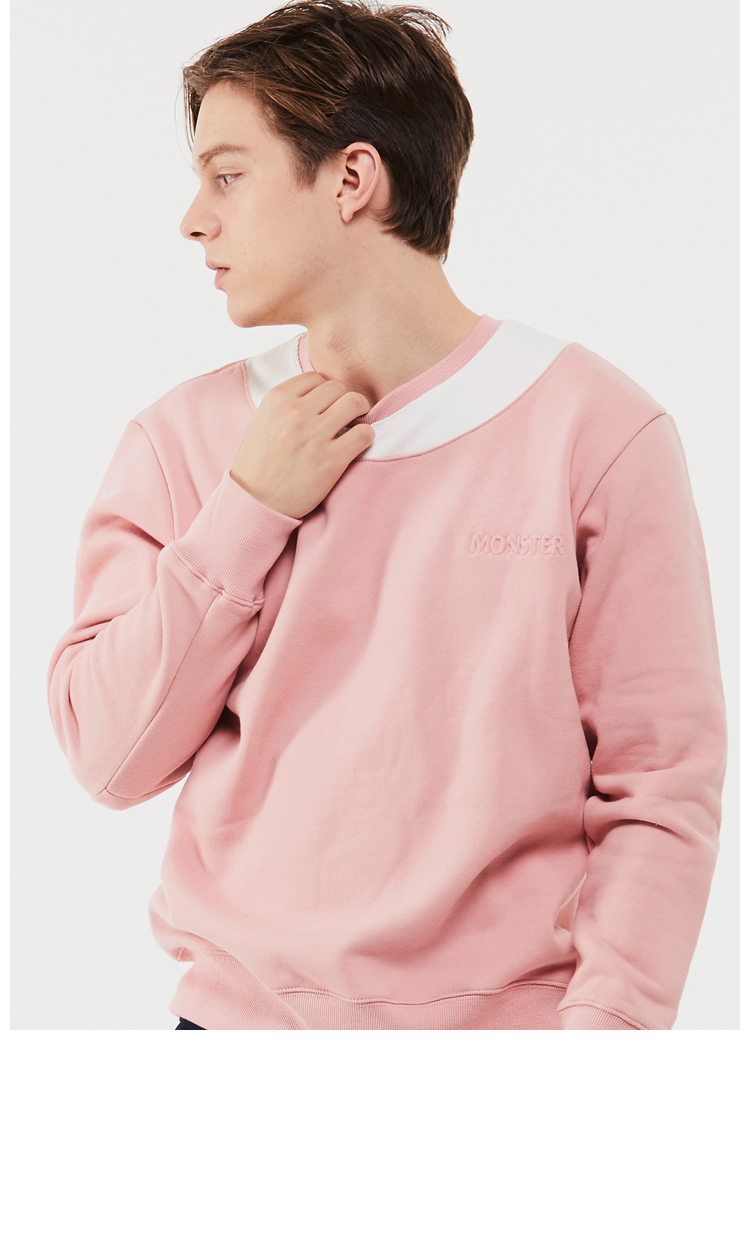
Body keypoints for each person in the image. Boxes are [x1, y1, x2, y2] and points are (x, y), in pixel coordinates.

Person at [47, 0, 728, 1031]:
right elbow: (107, 758)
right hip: (231, 1046)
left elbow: (661, 781)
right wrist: (247, 510)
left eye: (227, 175)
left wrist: (604, 1058)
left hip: (510, 1062)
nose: (193, 218)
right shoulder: (181, 440)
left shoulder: (595, 431)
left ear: (352, 179)